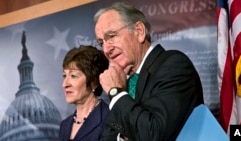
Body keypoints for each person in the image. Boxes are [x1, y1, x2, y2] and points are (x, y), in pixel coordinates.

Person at [94, 2, 204, 141]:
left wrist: (116, 93)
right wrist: (122, 135)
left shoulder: (173, 65)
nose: (106, 49)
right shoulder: (125, 84)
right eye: (101, 42)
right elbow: (109, 134)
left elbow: (152, 133)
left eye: (111, 36)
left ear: (139, 31)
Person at [58, 45, 110, 141]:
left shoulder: (110, 118)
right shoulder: (64, 125)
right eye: (64, 75)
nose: (64, 84)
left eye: (73, 76)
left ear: (94, 81)